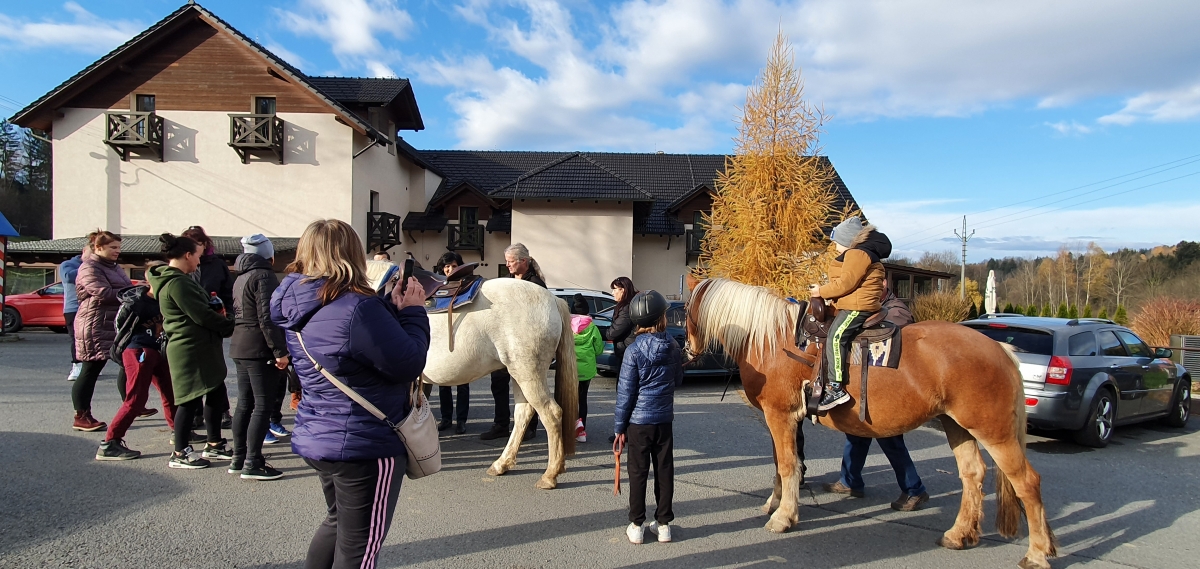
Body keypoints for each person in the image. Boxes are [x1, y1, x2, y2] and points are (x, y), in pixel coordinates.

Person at [270, 219, 429, 569]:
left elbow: (346, 342)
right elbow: (407, 363)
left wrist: (389, 307)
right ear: (353, 254)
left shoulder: (297, 302)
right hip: (365, 444)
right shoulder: (358, 306)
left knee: (337, 522)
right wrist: (415, 312)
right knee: (360, 548)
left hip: (321, 435)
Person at [823, 279, 928, 510]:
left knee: (889, 437)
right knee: (857, 432)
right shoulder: (869, 305)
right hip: (869, 383)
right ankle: (850, 481)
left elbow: (892, 330)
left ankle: (914, 489)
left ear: (884, 284)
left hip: (889, 387)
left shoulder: (897, 309)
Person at [149, 233, 236, 470]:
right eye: (197, 256)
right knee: (189, 398)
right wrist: (230, 325)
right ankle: (180, 451)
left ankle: (214, 442)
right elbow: (202, 315)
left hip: (201, 346)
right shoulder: (177, 283)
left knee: (216, 392)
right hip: (190, 348)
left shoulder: (181, 279)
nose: (199, 262)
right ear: (187, 255)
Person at [614, 290, 682, 545]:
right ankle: (663, 525)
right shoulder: (673, 346)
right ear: (661, 318)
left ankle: (636, 525)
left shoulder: (633, 351)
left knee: (638, 472)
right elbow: (677, 380)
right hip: (664, 420)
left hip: (638, 422)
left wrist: (619, 427)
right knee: (665, 470)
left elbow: (625, 394)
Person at [809, 216, 891, 411]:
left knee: (836, 337)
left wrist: (821, 291)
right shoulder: (861, 253)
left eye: (837, 243)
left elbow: (846, 283)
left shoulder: (857, 254)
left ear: (847, 241)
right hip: (856, 303)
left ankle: (835, 387)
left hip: (858, 307)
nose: (835, 247)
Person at [229, 234, 290, 480]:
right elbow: (268, 317)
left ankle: (239, 456)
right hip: (259, 347)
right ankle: (253, 461)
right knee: (262, 405)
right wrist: (280, 351)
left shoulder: (240, 275)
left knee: (245, 403)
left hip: (239, 344)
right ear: (269, 255)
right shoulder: (265, 276)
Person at [96, 284, 177, 461]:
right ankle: (110, 442)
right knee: (136, 398)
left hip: (158, 350)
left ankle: (179, 431)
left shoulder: (166, 299)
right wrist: (128, 346)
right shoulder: (136, 303)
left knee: (171, 392)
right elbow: (120, 325)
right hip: (139, 351)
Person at [480, 243, 547, 441]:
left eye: (510, 261)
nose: (507, 265)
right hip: (504, 342)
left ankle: (529, 427)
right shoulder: (508, 281)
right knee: (498, 385)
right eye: (507, 261)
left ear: (523, 261)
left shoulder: (535, 284)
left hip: (525, 344)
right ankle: (500, 424)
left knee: (527, 387)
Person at [71, 230, 133, 432]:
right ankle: (81, 415)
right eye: (112, 247)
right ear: (98, 248)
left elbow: (124, 288)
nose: (117, 251)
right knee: (91, 369)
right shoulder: (89, 268)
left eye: (118, 247)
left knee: (129, 363)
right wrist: (133, 293)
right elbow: (104, 293)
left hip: (113, 324)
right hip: (94, 324)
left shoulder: (114, 267)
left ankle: (132, 404)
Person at [181, 225, 235, 430]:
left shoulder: (217, 264)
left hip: (214, 322)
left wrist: (227, 316)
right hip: (189, 325)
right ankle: (195, 413)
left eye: (200, 244)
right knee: (193, 374)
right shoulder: (179, 267)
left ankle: (222, 411)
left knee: (215, 370)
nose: (198, 248)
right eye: (193, 245)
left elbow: (228, 293)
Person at [434, 252, 469, 434]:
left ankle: (461, 420)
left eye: (454, 266)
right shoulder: (438, 286)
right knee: (444, 382)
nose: (450, 269)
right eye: (447, 266)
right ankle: (446, 418)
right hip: (443, 338)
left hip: (461, 337)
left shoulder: (466, 286)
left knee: (463, 382)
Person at [605, 276, 638, 444]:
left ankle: (625, 432)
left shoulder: (626, 308)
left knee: (626, 395)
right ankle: (627, 431)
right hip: (626, 353)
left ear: (623, 290)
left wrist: (606, 331)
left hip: (627, 355)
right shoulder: (628, 305)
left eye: (615, 289)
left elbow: (614, 332)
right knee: (627, 394)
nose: (612, 293)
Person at [571, 293, 603, 443]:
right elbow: (599, 350)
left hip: (570, 369)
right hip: (587, 370)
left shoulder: (566, 327)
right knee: (582, 400)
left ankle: (567, 428)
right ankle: (581, 431)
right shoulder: (593, 327)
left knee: (568, 399)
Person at [60, 248, 85, 381]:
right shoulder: (68, 264)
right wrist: (88, 267)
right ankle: (77, 365)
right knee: (76, 338)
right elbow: (68, 277)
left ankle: (88, 365)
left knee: (90, 338)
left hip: (91, 307)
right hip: (73, 308)